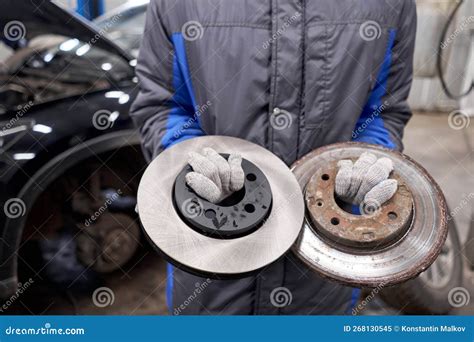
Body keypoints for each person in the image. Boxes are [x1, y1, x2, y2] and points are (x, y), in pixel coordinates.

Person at [130, 0, 417, 315]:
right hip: (209, 268)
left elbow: (384, 112)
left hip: (322, 276)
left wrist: (364, 159)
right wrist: (193, 157)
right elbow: (161, 105)